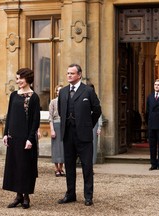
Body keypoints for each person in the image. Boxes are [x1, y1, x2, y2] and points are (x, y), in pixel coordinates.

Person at [57, 63, 101, 206]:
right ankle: (70, 194)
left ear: (79, 75)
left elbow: (97, 110)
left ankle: (88, 196)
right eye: (67, 73)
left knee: (87, 166)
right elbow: (59, 110)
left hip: (84, 135)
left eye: (72, 73)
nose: (69, 75)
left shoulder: (88, 91)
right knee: (69, 166)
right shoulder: (63, 92)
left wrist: (88, 125)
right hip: (67, 134)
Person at [2, 68, 40, 209]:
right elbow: (9, 115)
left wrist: (30, 139)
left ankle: (26, 197)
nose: (18, 81)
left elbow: (35, 120)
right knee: (15, 166)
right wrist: (6, 134)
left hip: (26, 138)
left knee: (25, 167)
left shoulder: (34, 97)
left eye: (20, 78)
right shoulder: (13, 95)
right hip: (14, 137)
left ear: (28, 78)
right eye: (17, 78)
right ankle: (18, 196)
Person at [49, 84, 65, 177]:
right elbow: (50, 117)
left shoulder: (66, 101)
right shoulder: (53, 102)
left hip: (64, 125)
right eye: (58, 90)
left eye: (61, 90)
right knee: (56, 147)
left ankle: (61, 168)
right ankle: (56, 168)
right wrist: (52, 130)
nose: (59, 92)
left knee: (63, 147)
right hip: (55, 125)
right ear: (56, 92)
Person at [87, 83, 103, 165]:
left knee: (93, 144)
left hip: (94, 124)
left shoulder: (96, 99)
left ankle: (92, 163)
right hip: (84, 124)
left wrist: (99, 127)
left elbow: (99, 114)